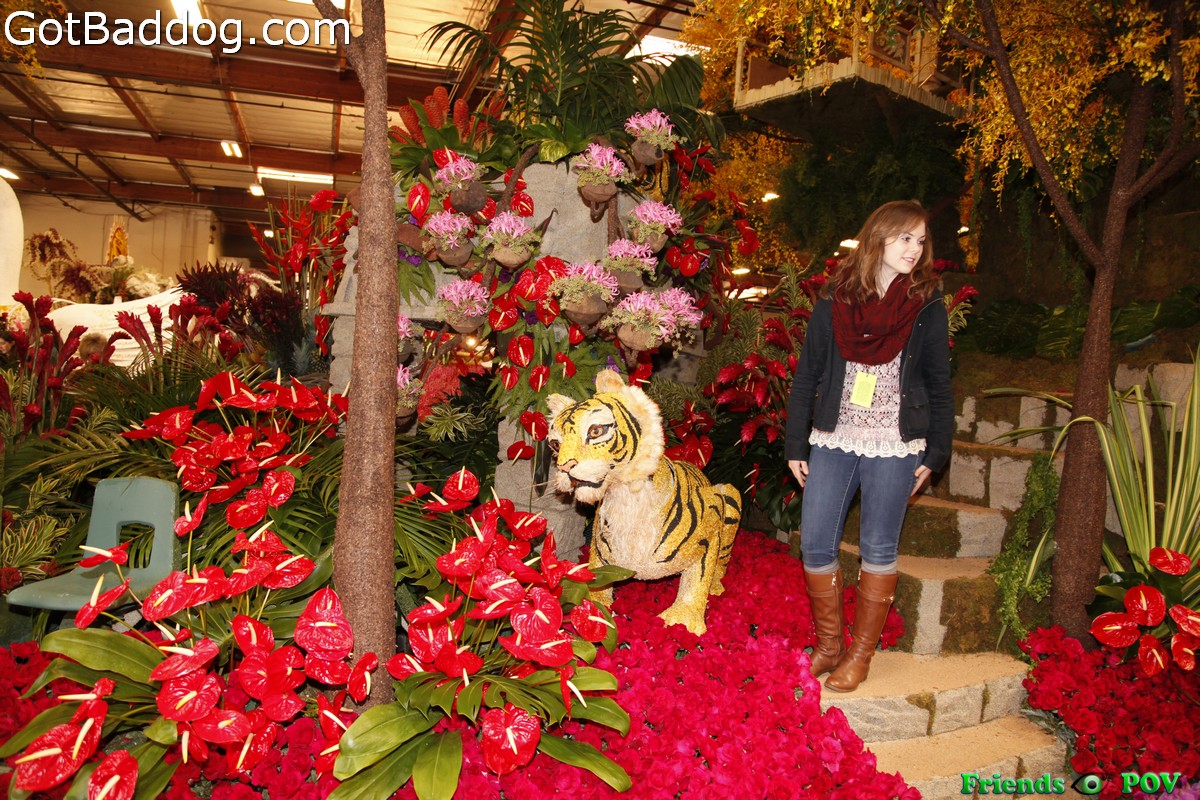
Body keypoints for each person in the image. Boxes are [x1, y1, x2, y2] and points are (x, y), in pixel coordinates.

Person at [785, 200, 953, 693]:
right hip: (835, 436)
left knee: (879, 546)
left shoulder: (926, 304)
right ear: (878, 238)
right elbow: (808, 374)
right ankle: (829, 645)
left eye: (920, 241)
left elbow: (939, 384)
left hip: (896, 443)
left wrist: (935, 453)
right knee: (815, 542)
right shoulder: (835, 297)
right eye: (905, 238)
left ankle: (860, 654)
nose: (914, 249)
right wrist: (795, 444)